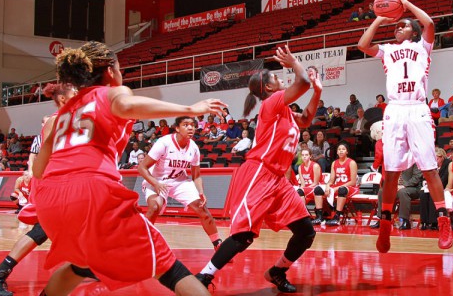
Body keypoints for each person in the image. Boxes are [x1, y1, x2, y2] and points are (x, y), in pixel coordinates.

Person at [32, 41, 225, 296]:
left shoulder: (67, 109)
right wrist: (191, 109)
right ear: (111, 71)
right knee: (168, 267)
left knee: (81, 264)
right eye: (120, 68)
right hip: (91, 191)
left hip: (49, 201)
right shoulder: (110, 93)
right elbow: (126, 105)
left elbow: (38, 168)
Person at [195, 45, 322, 293]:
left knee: (306, 232)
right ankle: (203, 276)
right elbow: (303, 81)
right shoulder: (271, 104)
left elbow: (306, 119)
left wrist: (317, 93)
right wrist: (295, 63)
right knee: (244, 235)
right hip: (259, 173)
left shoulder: (284, 109)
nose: (280, 78)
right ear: (268, 88)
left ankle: (277, 271)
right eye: (275, 77)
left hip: (277, 180)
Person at [358, 0, 453, 252]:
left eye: (404, 26)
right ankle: (386, 222)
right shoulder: (387, 51)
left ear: (412, 32)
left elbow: (430, 24)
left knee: (429, 169)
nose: (399, 28)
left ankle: (444, 221)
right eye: (397, 26)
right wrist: (380, 18)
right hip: (396, 110)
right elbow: (362, 45)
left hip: (418, 109)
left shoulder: (423, 47)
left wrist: (405, 5)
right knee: (391, 173)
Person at [0, 83, 78, 296]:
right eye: (75, 92)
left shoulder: (76, 121)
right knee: (43, 231)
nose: (80, 95)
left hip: (67, 184)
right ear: (62, 99)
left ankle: (0, 274)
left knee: (47, 232)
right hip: (54, 183)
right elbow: (41, 159)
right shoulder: (57, 121)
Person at [138, 116, 223, 249]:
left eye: (193, 125)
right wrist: (155, 183)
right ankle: (142, 242)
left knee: (202, 209)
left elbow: (196, 176)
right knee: (154, 208)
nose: (190, 128)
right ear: (177, 128)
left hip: (179, 181)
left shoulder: (194, 148)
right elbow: (142, 167)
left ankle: (218, 244)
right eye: (186, 125)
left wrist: (200, 192)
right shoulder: (164, 143)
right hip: (157, 180)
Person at [311, 143, 358, 226]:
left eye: (343, 149)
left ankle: (337, 217)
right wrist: (328, 186)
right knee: (318, 189)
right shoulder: (334, 163)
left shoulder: (352, 163)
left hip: (350, 187)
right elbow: (332, 180)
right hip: (338, 187)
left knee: (342, 190)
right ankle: (319, 216)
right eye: (339, 149)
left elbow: (353, 182)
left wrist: (337, 188)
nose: (341, 151)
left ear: (347, 152)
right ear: (336, 152)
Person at [419, 147, 451, 230]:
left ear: (442, 157)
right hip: (430, 186)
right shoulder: (432, 165)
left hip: (444, 187)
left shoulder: (447, 164)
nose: (434, 160)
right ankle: (424, 221)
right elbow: (424, 177)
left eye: (436, 158)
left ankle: (434, 222)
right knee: (422, 194)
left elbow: (445, 179)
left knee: (433, 194)